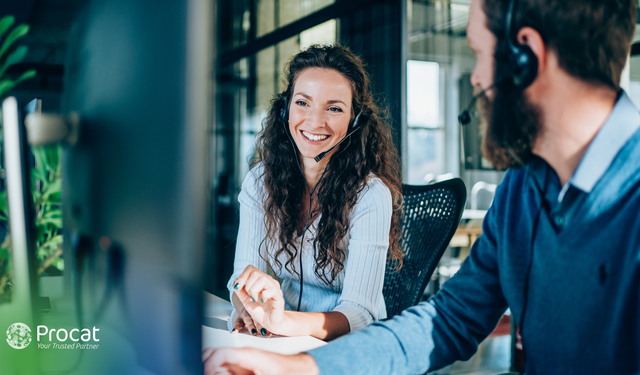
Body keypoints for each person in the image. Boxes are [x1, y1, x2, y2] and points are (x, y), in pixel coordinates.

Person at [203, 0, 640, 374]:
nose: (474, 77)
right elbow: (450, 319)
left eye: (478, 53)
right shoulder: (522, 190)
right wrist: (300, 366)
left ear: (526, 55)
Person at [224, 45, 403, 341]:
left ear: (354, 121)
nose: (314, 121)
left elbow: (360, 313)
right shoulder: (260, 181)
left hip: (342, 349)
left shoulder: (370, 196)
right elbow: (242, 276)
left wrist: (283, 323)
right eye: (303, 103)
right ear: (285, 109)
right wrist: (245, 305)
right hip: (276, 339)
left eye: (334, 108)